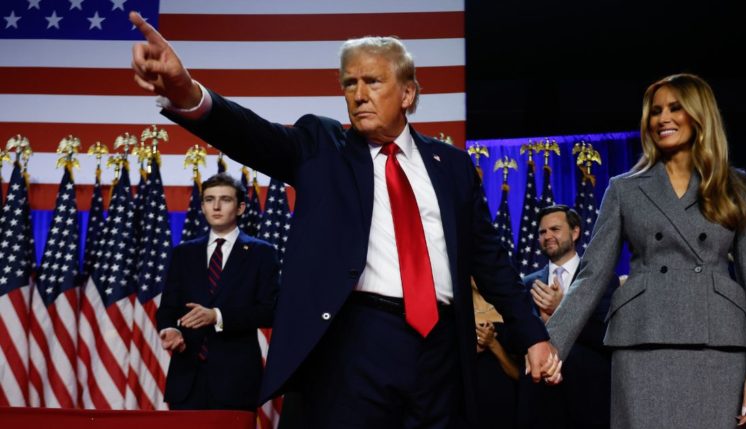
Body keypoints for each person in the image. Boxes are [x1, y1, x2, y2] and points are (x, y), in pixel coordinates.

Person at [128, 11, 561, 428]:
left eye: (373, 81)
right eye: (349, 83)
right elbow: (251, 134)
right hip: (354, 343)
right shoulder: (321, 146)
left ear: (408, 93)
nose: (358, 93)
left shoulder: (452, 166)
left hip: (443, 350)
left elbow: (491, 263)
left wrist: (533, 337)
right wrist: (187, 92)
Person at [545, 73, 746, 428]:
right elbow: (591, 276)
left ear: (700, 115)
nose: (662, 118)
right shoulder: (624, 189)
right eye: (655, 111)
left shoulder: (737, 186)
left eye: (675, 108)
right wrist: (550, 344)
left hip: (719, 346)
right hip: (643, 342)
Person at [156, 173, 279, 411]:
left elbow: (269, 311)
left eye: (225, 199)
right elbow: (168, 307)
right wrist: (170, 329)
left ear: (241, 207)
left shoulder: (261, 253)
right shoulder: (183, 253)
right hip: (187, 379)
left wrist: (218, 316)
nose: (216, 206)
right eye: (209, 199)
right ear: (202, 206)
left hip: (236, 381)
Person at [517, 205, 614, 429]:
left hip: (587, 397)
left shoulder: (601, 280)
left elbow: (607, 335)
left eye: (555, 229)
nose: (547, 236)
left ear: (575, 232)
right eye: (542, 232)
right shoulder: (527, 284)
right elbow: (517, 340)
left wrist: (562, 310)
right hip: (540, 400)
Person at [471, 281, 520, 429]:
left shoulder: (512, 310)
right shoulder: (451, 311)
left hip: (508, 404)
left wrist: (492, 343)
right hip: (468, 406)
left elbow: (519, 374)